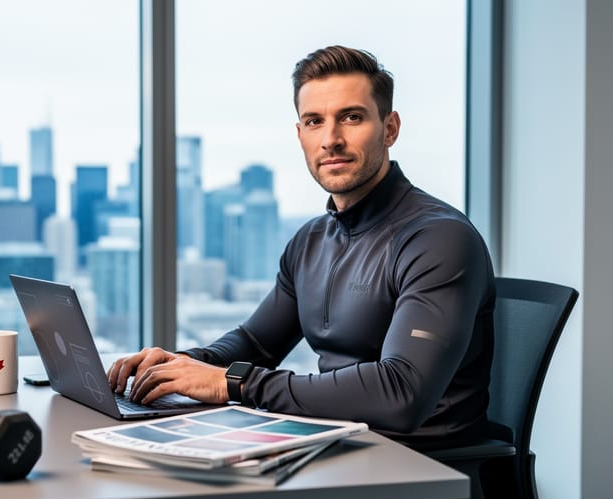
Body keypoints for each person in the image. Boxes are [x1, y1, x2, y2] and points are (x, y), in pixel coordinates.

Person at [108, 45, 495, 451]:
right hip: (333, 442)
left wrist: (233, 383)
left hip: (415, 463)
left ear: (390, 128)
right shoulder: (311, 241)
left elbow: (401, 393)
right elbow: (256, 344)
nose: (331, 139)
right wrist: (177, 366)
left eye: (351, 117)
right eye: (314, 121)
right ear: (300, 135)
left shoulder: (438, 238)